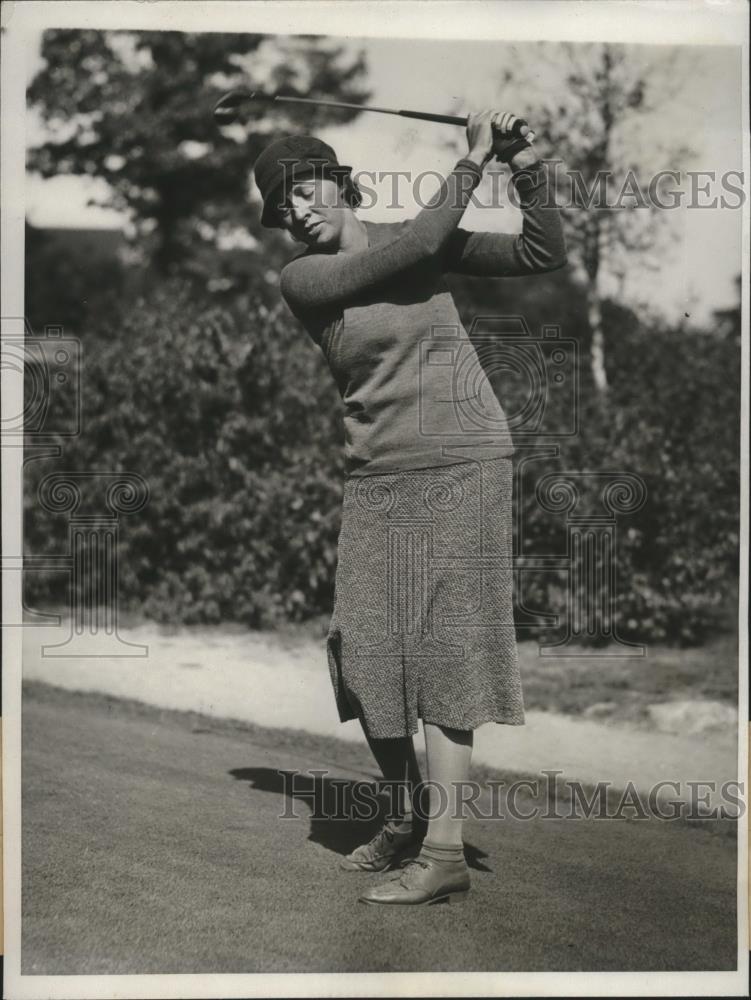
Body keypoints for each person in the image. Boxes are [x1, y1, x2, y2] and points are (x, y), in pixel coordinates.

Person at [252, 110, 567, 906]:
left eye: (305, 189)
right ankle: (402, 814)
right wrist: (472, 161)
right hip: (377, 476)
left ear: (338, 179)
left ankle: (445, 851)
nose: (299, 210)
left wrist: (522, 167)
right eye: (283, 206)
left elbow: (540, 250)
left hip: (465, 463)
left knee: (444, 654)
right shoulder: (305, 279)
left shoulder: (415, 231)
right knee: (365, 651)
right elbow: (418, 248)